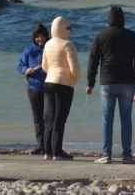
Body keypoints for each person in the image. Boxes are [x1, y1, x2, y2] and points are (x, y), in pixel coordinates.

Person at [87, 6, 135, 164]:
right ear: (123, 20)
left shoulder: (101, 36)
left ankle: (106, 154)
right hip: (127, 83)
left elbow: (93, 61)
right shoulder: (132, 36)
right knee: (126, 119)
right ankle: (127, 155)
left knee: (107, 119)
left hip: (107, 83)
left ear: (108, 21)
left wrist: (90, 83)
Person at [41, 16, 81, 161]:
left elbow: (45, 66)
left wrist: (52, 73)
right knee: (60, 118)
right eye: (68, 28)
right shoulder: (68, 44)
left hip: (49, 81)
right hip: (64, 84)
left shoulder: (48, 44)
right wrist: (75, 79)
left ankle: (48, 151)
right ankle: (57, 152)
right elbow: (74, 68)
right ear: (64, 29)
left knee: (49, 118)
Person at [17, 23, 50, 155]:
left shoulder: (51, 49)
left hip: (49, 88)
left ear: (47, 37)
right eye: (37, 36)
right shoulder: (29, 50)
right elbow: (20, 65)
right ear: (34, 38)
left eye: (42, 36)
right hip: (34, 88)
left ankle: (50, 146)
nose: (40, 39)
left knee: (49, 118)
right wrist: (26, 70)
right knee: (38, 119)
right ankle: (41, 146)